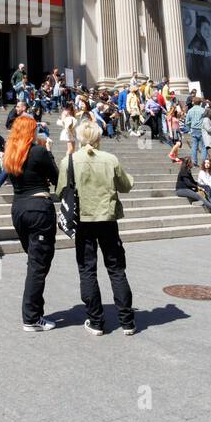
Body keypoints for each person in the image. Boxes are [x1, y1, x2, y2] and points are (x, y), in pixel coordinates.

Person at [57, 118, 135, 336]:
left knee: (87, 270)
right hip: (107, 219)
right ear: (99, 138)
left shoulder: (69, 161)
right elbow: (126, 186)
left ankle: (96, 320)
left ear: (80, 139)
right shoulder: (110, 159)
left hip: (83, 221)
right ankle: (127, 321)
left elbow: (61, 190)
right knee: (116, 269)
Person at [0, 115, 61, 331]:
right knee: (39, 263)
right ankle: (32, 317)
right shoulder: (38, 151)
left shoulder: (11, 154)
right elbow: (57, 178)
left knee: (35, 260)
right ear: (30, 131)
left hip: (18, 210)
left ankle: (36, 311)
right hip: (38, 209)